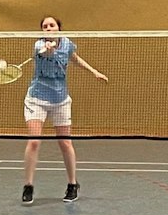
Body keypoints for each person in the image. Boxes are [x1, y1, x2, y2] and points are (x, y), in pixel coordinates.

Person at [20, 16, 108, 205]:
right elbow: (47, 54)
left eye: (52, 25)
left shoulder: (67, 44)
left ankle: (72, 184)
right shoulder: (38, 46)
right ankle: (28, 185)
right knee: (34, 141)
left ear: (59, 28)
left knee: (65, 143)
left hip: (60, 100)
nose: (48, 28)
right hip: (37, 99)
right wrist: (48, 51)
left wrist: (94, 72)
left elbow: (75, 59)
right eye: (45, 26)